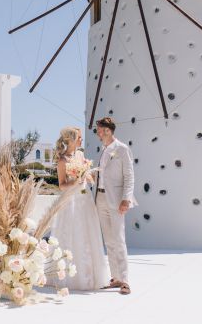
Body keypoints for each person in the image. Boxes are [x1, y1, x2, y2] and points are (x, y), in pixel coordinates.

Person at [50, 126, 109, 291]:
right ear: (70, 140)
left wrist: (88, 177)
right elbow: (61, 185)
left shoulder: (80, 154)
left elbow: (87, 175)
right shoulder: (62, 160)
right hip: (71, 201)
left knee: (88, 232)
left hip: (84, 198)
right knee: (73, 233)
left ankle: (91, 275)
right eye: (79, 138)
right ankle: (73, 277)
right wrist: (76, 180)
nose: (82, 140)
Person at [94, 117, 137, 295]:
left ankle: (125, 280)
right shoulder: (104, 150)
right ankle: (115, 277)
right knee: (109, 241)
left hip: (117, 200)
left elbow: (129, 175)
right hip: (100, 198)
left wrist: (126, 198)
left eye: (99, 130)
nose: (97, 133)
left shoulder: (121, 148)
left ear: (108, 131)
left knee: (119, 239)